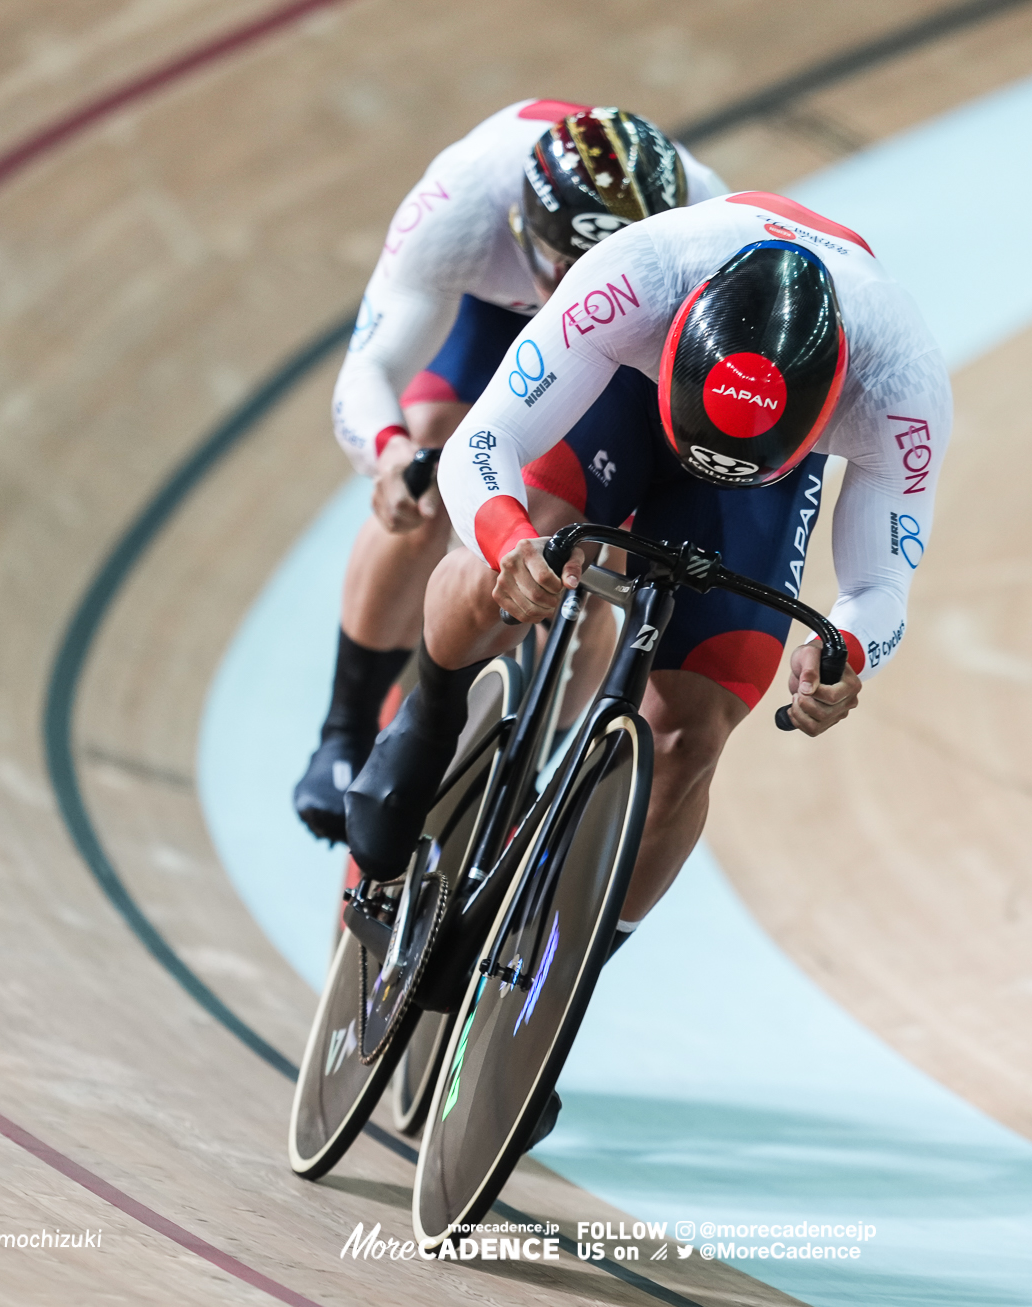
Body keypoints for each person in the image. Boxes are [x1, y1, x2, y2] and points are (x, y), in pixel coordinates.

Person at [345, 191, 952, 939]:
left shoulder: (899, 388)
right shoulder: (632, 282)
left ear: (830, 406)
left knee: (693, 731)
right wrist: (508, 542)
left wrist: (844, 653)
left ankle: (561, 968)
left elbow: (880, 585)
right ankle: (432, 715)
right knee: (521, 541)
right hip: (633, 387)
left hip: (770, 462)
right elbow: (484, 440)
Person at [295, 101, 727, 842]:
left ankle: (531, 763)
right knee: (431, 453)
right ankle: (344, 728)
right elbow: (368, 369)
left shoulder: (706, 231)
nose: (575, 287)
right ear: (523, 230)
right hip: (500, 313)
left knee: (596, 546)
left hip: (636, 333)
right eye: (562, 267)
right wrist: (392, 454)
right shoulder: (467, 200)